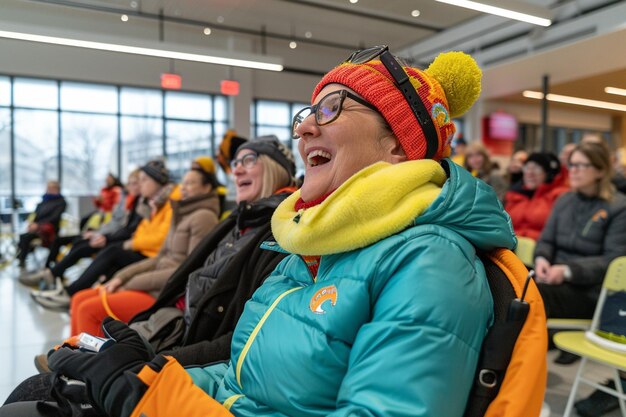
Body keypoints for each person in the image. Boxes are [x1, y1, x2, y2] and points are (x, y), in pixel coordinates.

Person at [0, 47, 521, 417]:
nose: (304, 127)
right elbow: (238, 381)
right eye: (307, 112)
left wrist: (148, 398)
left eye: (332, 108)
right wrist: (148, 376)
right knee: (42, 389)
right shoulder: (308, 245)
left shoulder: (430, 263)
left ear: (398, 146)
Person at [4, 136, 297, 410]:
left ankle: (79, 353)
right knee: (43, 377)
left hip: (180, 335)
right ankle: (77, 342)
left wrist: (153, 358)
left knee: (45, 376)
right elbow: (176, 265)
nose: (236, 170)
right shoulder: (236, 220)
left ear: (275, 168)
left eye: (249, 160)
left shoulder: (264, 230)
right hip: (171, 319)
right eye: (235, 163)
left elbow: (166, 261)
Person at [66, 166, 221, 338]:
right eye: (183, 183)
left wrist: (130, 283)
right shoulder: (181, 214)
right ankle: (71, 353)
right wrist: (121, 277)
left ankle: (84, 362)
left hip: (163, 295)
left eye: (190, 183)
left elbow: (189, 271)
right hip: (150, 284)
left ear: (206, 188)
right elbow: (159, 258)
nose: (183, 187)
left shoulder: (204, 217)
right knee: (78, 298)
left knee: (88, 309)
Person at [31, 160, 177, 310]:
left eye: (142, 180)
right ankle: (72, 291)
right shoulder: (150, 203)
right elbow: (136, 229)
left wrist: (114, 239)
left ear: (158, 181)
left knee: (108, 252)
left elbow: (153, 237)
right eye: (135, 181)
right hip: (135, 245)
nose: (138, 185)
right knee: (88, 245)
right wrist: (101, 234)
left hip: (148, 253)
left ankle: (69, 291)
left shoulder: (163, 202)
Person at [21, 170, 143, 289]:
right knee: (78, 241)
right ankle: (53, 273)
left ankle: (59, 280)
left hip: (115, 237)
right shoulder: (131, 201)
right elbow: (116, 221)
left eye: (134, 183)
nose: (129, 187)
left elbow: (122, 225)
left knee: (87, 245)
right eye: (129, 183)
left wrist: (102, 235)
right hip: (109, 233)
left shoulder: (131, 201)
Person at [504, 152, 569, 240]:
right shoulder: (514, 195)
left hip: (541, 249)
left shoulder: (558, 195)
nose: (530, 173)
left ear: (547, 174)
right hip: (510, 248)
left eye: (536, 168)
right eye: (527, 168)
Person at [16, 181, 66, 272]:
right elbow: (36, 215)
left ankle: (22, 258)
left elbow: (54, 218)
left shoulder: (61, 202)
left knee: (26, 238)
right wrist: (32, 224)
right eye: (48, 188)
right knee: (23, 236)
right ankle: (21, 258)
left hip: (49, 230)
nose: (48, 190)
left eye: (51, 188)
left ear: (56, 189)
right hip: (37, 229)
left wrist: (38, 225)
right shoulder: (43, 201)